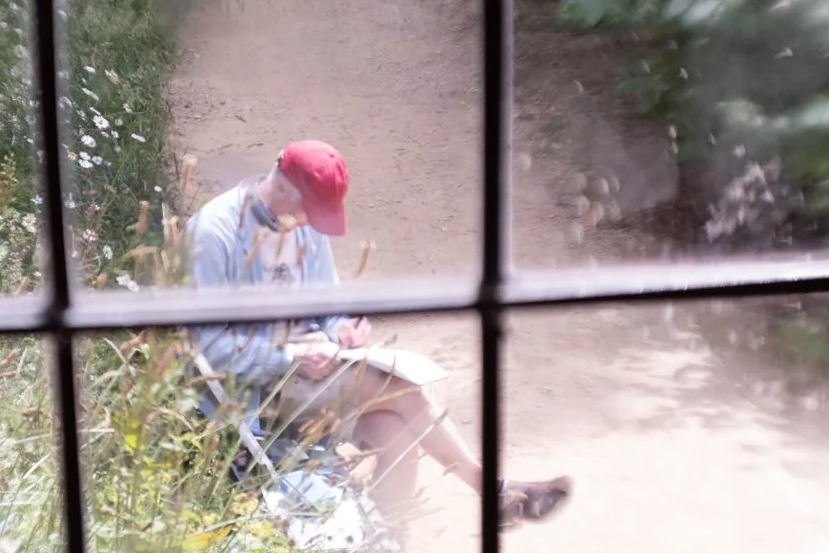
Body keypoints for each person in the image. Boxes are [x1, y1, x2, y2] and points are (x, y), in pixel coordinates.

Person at [184, 139, 570, 530]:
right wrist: (289, 358)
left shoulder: (305, 225)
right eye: (310, 211)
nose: (310, 223)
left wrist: (343, 329)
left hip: (312, 376)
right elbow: (206, 350)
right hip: (252, 393)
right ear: (283, 186)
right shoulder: (213, 233)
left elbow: (327, 305)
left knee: (397, 433)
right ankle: (494, 492)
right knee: (401, 388)